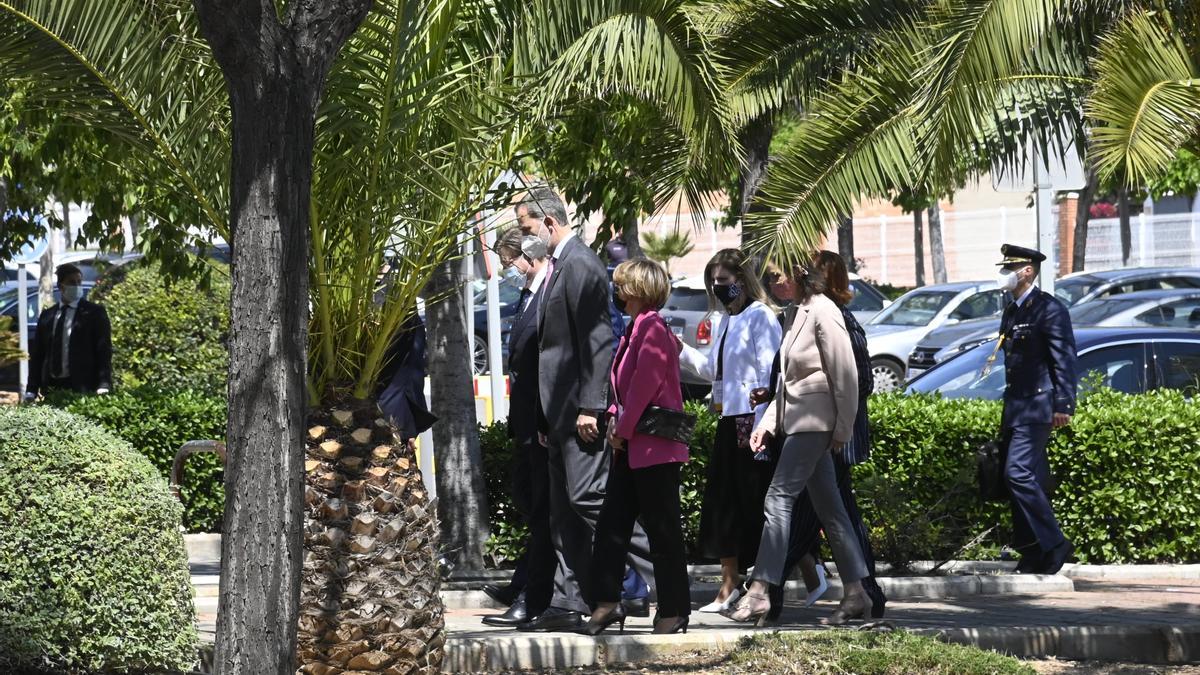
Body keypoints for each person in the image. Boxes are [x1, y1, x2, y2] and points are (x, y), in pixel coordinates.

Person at [513, 185, 655, 632]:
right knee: (562, 514)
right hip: (555, 416)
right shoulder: (559, 266)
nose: (524, 239)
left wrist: (591, 406)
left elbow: (598, 342)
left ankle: (662, 576)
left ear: (549, 224)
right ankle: (567, 600)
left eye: (526, 229)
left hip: (580, 414)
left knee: (589, 499)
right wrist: (542, 419)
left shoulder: (581, 266)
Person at [733, 260, 872, 626]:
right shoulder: (797, 312)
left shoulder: (823, 310)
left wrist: (842, 429)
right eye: (771, 277)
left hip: (815, 422)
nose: (774, 283)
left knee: (777, 499)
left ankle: (761, 590)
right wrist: (768, 422)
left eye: (779, 276)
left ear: (799, 273)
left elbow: (845, 375)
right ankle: (857, 592)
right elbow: (788, 381)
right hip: (798, 421)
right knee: (832, 510)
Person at [580, 260, 691, 636]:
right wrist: (613, 415)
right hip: (630, 445)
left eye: (622, 284)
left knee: (663, 532)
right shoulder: (634, 328)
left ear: (638, 288)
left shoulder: (653, 328)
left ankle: (675, 610)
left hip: (654, 448)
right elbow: (622, 385)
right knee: (612, 527)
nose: (617, 290)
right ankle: (607, 602)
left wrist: (622, 430)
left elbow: (646, 385)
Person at [677, 248, 781, 613]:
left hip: (751, 423)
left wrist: (765, 424)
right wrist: (681, 350)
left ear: (742, 280)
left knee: (752, 506)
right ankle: (728, 585)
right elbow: (712, 371)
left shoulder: (760, 317)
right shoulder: (725, 321)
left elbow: (770, 374)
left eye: (724, 281)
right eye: (714, 283)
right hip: (727, 419)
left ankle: (774, 582)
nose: (719, 289)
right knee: (723, 506)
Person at [480, 228, 559, 626]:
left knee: (545, 508)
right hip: (527, 421)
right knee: (530, 502)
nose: (509, 268)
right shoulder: (529, 295)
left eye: (512, 260)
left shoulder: (550, 293)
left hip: (543, 422)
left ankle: (533, 593)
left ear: (531, 256)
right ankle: (524, 583)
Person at [994, 244, 1077, 575]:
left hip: (1040, 405)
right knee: (1024, 480)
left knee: (1018, 474)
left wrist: (1064, 404)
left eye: (1009, 268)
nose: (1004, 274)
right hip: (1016, 406)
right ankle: (1032, 552)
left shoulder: (1049, 310)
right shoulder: (1012, 310)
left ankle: (1055, 543)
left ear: (1027, 271)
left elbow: (1064, 359)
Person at [26, 263, 112, 400]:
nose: (77, 286)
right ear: (61, 286)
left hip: (82, 386)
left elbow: (104, 351)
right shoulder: (48, 316)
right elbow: (38, 355)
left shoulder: (94, 313)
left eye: (79, 282)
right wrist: (31, 389)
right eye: (72, 282)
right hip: (52, 386)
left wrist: (104, 384)